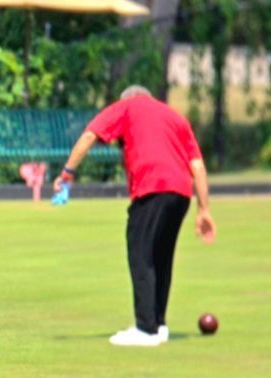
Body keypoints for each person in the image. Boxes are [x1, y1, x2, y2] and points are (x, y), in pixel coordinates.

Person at [52, 84, 216, 347]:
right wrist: (204, 210)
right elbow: (197, 165)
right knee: (161, 257)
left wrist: (67, 173)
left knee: (141, 254)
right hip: (181, 194)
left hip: (152, 188)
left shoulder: (127, 106)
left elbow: (89, 135)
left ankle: (145, 328)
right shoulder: (175, 117)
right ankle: (158, 324)